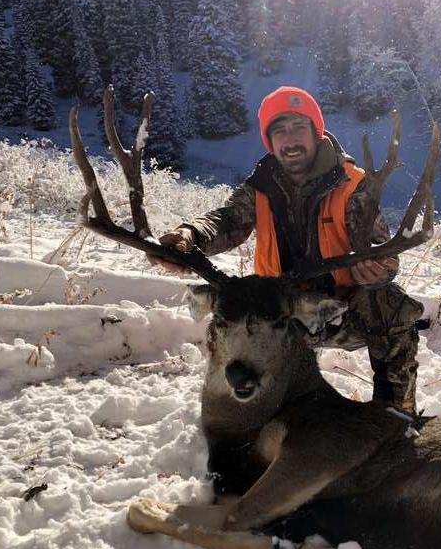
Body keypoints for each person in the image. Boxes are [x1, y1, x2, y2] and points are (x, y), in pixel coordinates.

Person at [154, 86, 424, 414]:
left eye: (299, 127)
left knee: (390, 303)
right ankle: (247, 402)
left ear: (316, 131)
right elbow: (227, 221)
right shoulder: (261, 186)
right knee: (232, 307)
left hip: (338, 307)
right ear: (270, 141)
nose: (290, 138)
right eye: (279, 130)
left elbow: (379, 247)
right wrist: (189, 235)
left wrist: (380, 266)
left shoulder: (353, 186)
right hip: (278, 313)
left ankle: (395, 417)